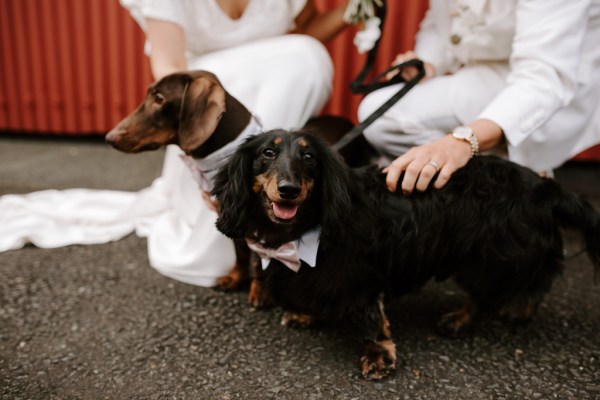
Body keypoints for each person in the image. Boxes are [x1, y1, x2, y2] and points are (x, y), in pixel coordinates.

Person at [0, 0, 349, 287]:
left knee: (305, 55)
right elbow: (170, 69)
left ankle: (273, 192)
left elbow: (303, 38)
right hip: (206, 109)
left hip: (271, 91)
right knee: (298, 56)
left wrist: (357, 8)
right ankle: (228, 186)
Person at [357, 0, 600, 195]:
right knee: (381, 115)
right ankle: (501, 188)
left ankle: (522, 195)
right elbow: (442, 20)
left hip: (554, 89)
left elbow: (542, 81)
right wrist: (428, 62)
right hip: (488, 73)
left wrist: (462, 141)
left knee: (385, 118)